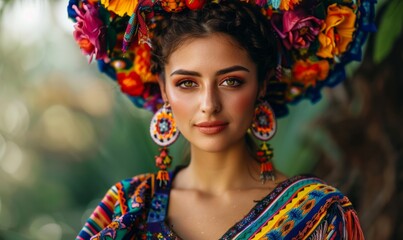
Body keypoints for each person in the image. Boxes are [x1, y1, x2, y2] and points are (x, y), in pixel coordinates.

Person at [68, 0, 375, 239]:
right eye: (187, 83)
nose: (209, 105)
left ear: (262, 84)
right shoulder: (126, 205)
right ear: (163, 89)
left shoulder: (321, 213)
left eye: (231, 82)